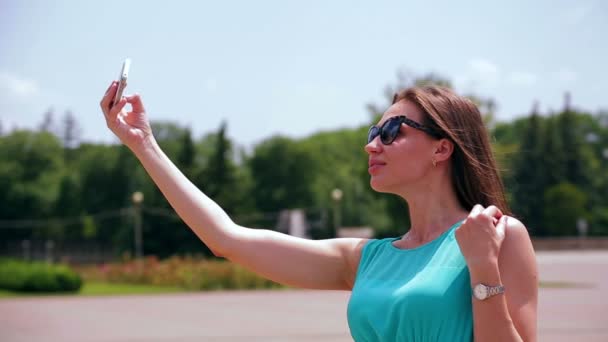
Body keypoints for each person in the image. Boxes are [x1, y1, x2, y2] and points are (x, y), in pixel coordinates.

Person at [100, 82, 537, 341]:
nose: (372, 144)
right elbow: (226, 239)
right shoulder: (366, 259)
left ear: (442, 147)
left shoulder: (499, 236)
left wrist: (482, 267)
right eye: (373, 131)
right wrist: (144, 145)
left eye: (390, 131)